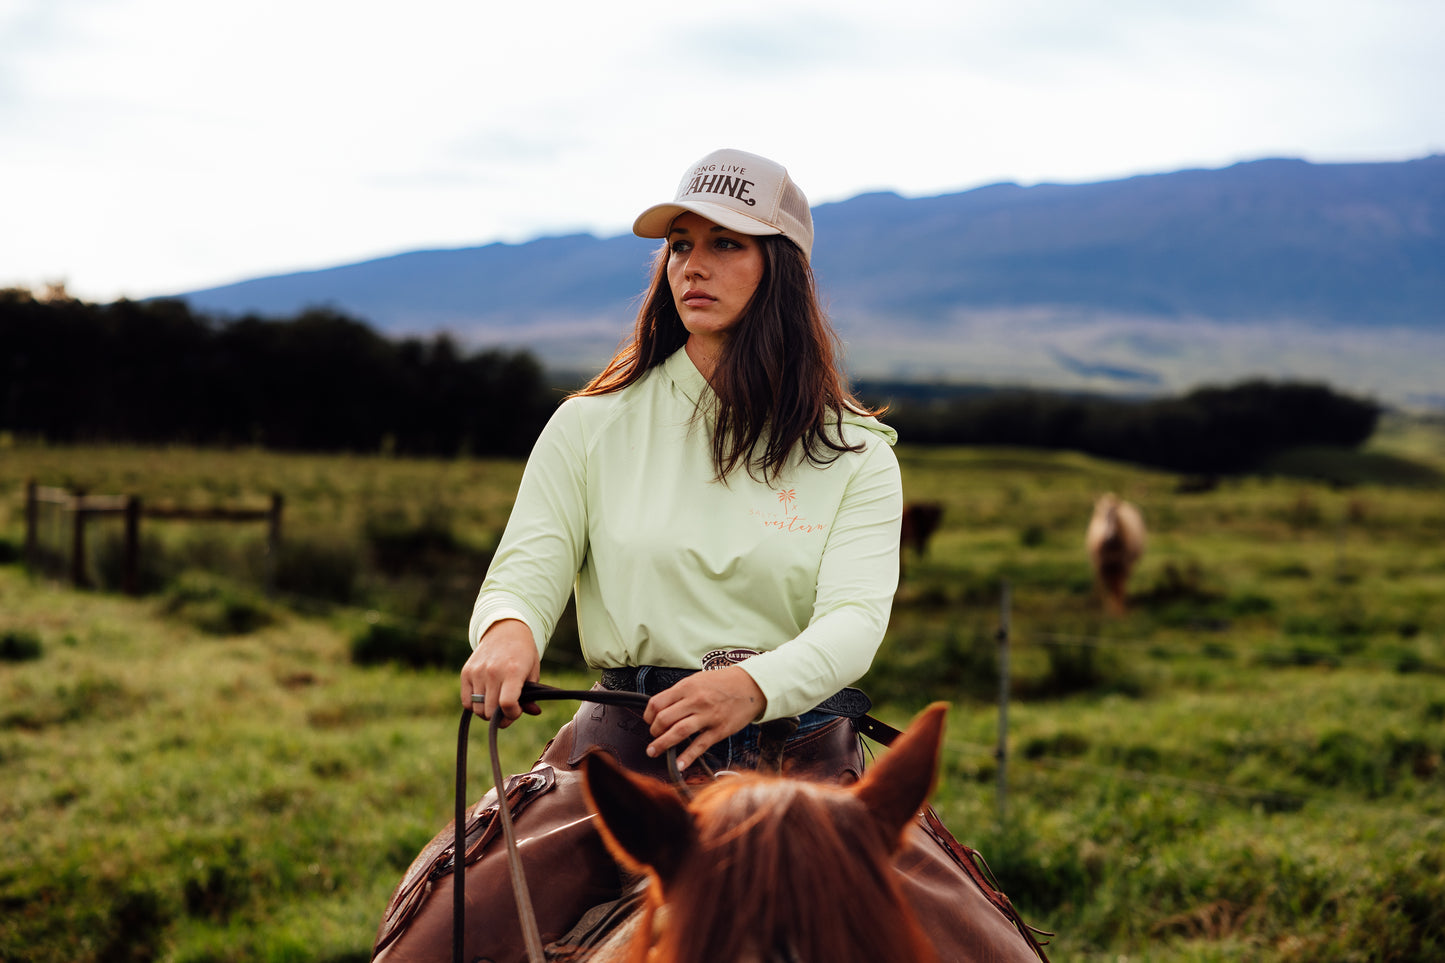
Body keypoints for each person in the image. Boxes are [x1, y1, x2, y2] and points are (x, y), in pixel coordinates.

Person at [459, 146, 902, 776]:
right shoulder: (589, 424)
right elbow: (528, 565)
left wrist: (752, 688)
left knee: (921, 880)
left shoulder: (856, 454)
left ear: (779, 269)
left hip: (799, 752)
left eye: (725, 244)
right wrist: (508, 630)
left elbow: (855, 621)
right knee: (474, 879)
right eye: (680, 244)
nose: (694, 266)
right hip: (626, 745)